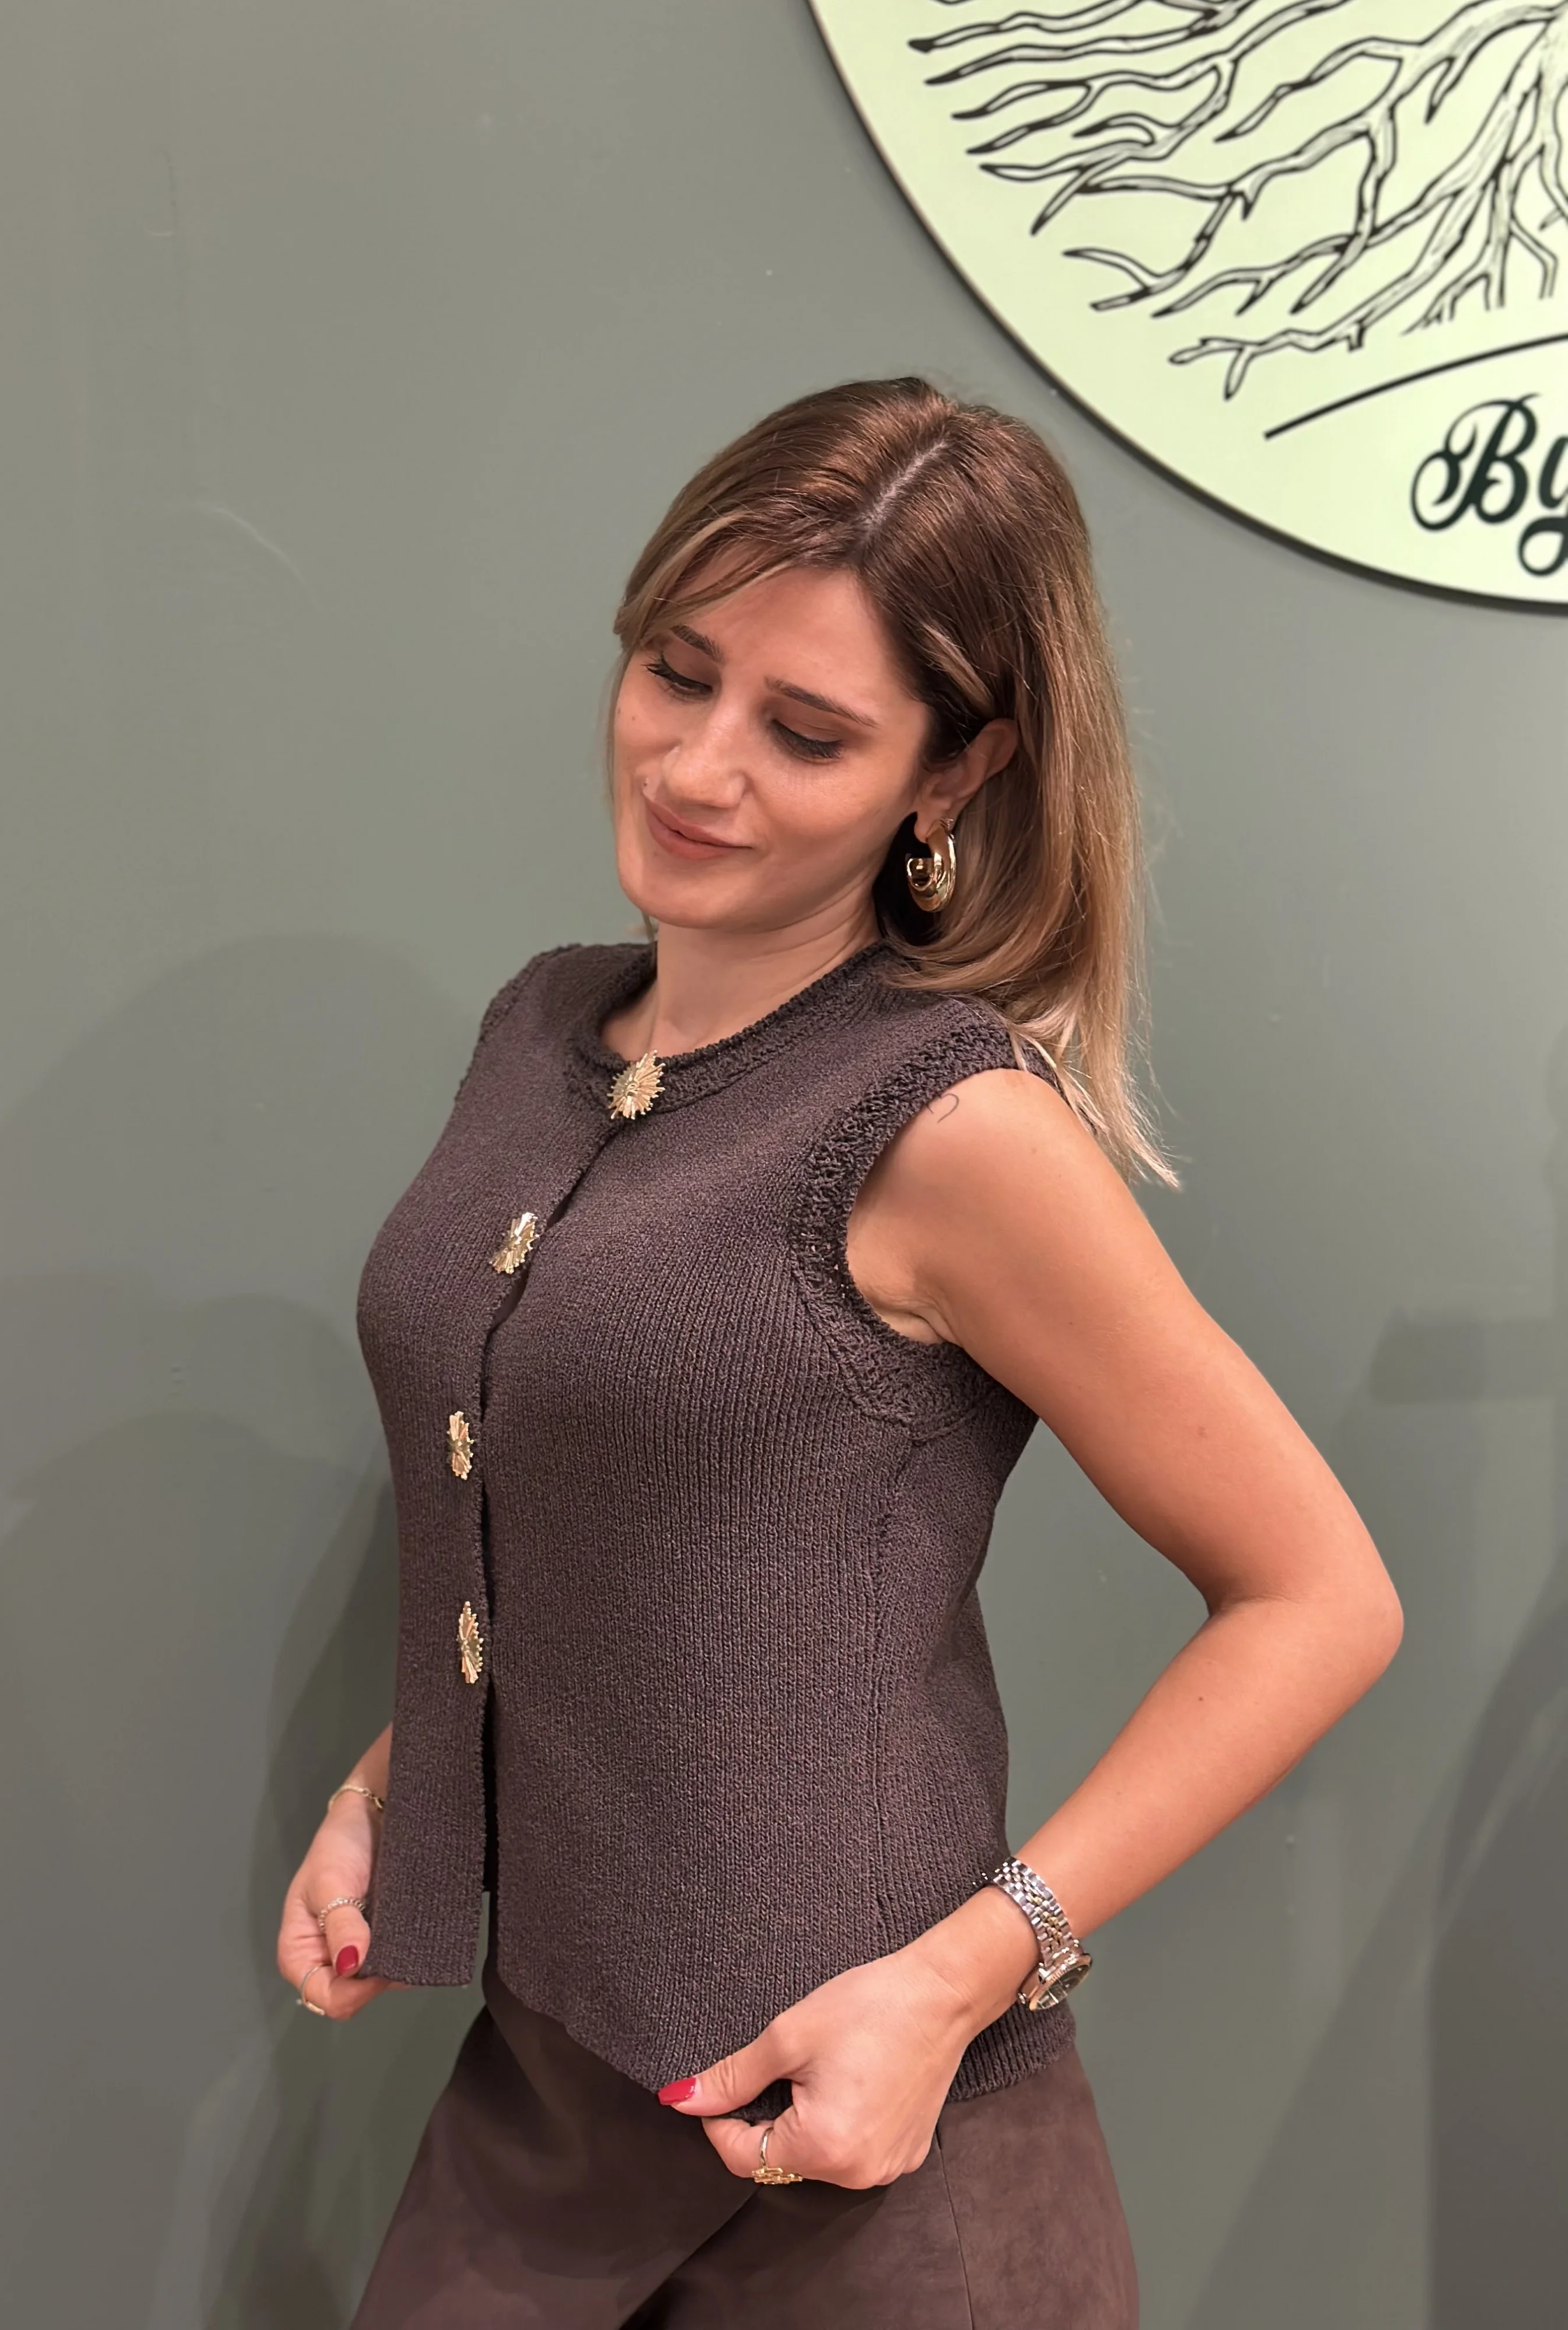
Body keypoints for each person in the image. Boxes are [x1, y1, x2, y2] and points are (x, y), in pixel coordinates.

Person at [275, 377, 1403, 2328]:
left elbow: (1322, 1599)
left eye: (806, 732)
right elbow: (591, 1528)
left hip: (872, 2152)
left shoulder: (954, 1129)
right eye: (673, 670)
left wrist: (960, 1979)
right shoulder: (542, 1031)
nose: (697, 764)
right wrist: (398, 1788)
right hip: (548, 2092)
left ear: (952, 775)